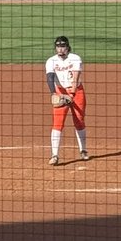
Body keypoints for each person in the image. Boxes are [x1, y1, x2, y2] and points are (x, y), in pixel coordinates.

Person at [45, 35, 88, 165]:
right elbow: (50, 78)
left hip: (77, 92)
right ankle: (54, 155)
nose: (60, 49)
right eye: (58, 46)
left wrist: (72, 94)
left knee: (79, 121)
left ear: (68, 47)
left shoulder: (75, 58)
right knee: (58, 123)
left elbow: (75, 77)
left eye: (63, 46)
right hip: (61, 92)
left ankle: (83, 150)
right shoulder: (51, 61)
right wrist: (53, 93)